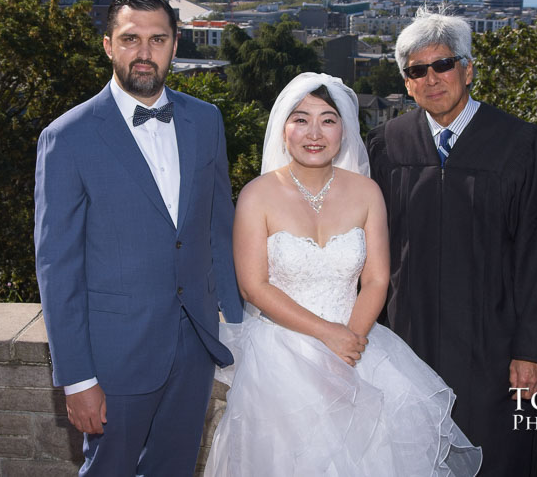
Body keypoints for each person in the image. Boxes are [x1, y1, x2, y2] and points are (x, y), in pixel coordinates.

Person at [205, 72, 481, 476]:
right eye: (301, 119)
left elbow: (376, 280)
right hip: (281, 359)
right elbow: (254, 285)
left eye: (328, 119)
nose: (314, 132)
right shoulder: (256, 195)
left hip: (358, 346)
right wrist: (327, 335)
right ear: (283, 129)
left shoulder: (366, 192)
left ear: (344, 129)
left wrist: (349, 343)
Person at [34, 0, 243, 476]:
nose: (144, 52)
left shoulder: (205, 120)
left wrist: (235, 322)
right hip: (114, 358)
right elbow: (56, 268)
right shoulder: (66, 138)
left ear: (174, 45)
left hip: (193, 347)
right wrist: (77, 378)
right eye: (131, 39)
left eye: (157, 39)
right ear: (109, 46)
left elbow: (217, 225)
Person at [367, 9, 537, 476]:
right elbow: (370, 251)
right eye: (417, 70)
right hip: (407, 343)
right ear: (406, 81)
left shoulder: (520, 143)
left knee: (495, 459)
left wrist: (531, 351)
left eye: (443, 65)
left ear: (468, 69)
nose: (432, 78)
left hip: (494, 348)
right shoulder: (388, 145)